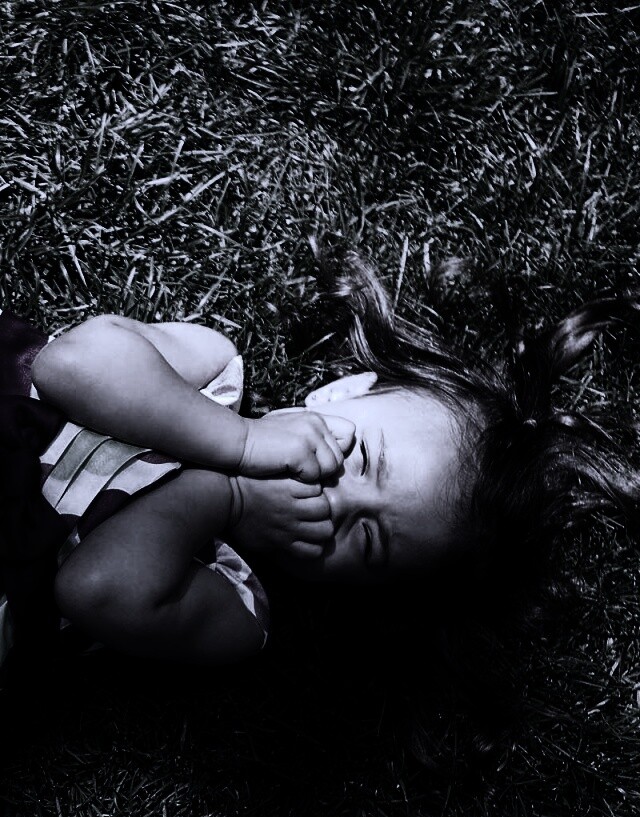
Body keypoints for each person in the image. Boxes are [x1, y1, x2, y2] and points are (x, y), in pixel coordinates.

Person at [1, 246, 638, 732]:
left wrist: (227, 494)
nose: (336, 500)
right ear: (342, 394)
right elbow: (68, 364)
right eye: (360, 458)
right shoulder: (213, 372)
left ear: (368, 590)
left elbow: (94, 587)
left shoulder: (236, 610)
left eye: (367, 538)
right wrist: (237, 443)